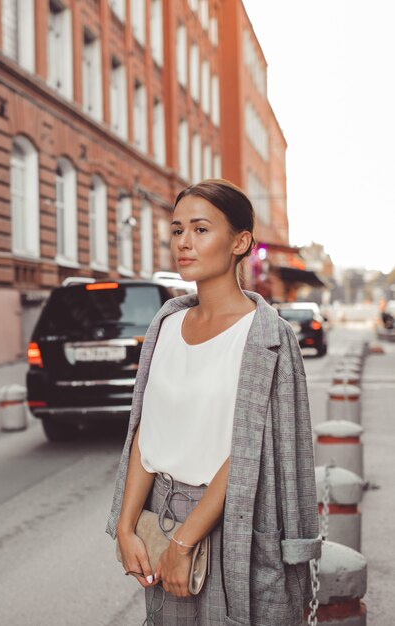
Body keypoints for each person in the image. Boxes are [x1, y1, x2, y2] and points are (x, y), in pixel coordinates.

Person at [107, 180, 320, 626]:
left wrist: (186, 542)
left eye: (201, 230)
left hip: (233, 520)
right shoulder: (166, 324)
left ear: (240, 242)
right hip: (160, 515)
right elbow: (149, 430)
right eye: (177, 229)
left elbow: (249, 449)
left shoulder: (267, 337)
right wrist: (126, 529)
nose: (184, 242)